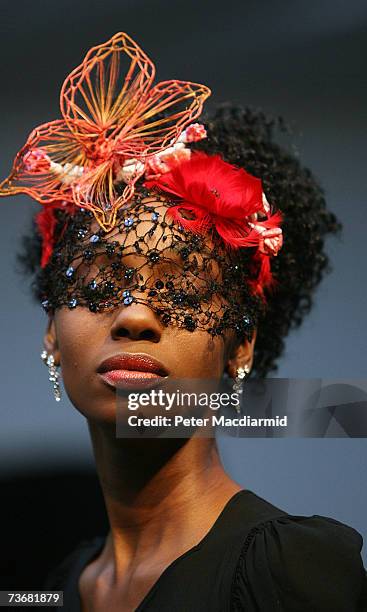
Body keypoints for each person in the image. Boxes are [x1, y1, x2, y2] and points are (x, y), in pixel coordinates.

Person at [1, 32, 366, 611]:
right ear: (52, 328)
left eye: (181, 286)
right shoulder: (49, 591)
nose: (137, 315)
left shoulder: (288, 571)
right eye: (99, 283)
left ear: (241, 345)